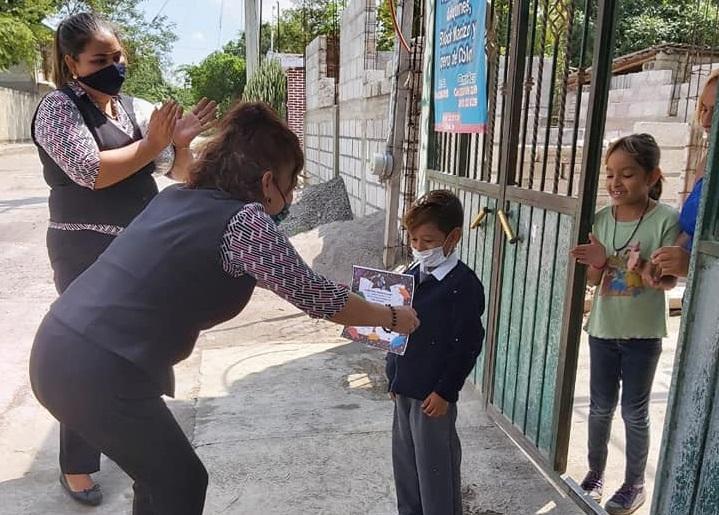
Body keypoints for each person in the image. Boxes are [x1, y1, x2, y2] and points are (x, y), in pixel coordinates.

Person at [29, 101, 420, 515]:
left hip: (62, 347)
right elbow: (316, 294)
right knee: (179, 480)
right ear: (268, 182)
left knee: (161, 479)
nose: (290, 196)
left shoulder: (178, 197)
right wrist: (394, 318)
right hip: (96, 369)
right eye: (291, 183)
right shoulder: (245, 222)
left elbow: (184, 176)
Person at [31, 12, 217, 505]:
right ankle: (76, 462)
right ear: (72, 63)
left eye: (117, 57)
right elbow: (91, 172)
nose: (114, 66)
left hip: (137, 247)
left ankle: (138, 444)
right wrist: (153, 143)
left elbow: (175, 173)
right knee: (91, 355)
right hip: (84, 251)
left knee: (132, 350)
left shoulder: (128, 108)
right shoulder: (57, 109)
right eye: (100, 60)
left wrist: (178, 144)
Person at [570, 134, 679, 515]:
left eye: (628, 174)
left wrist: (626, 263)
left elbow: (663, 281)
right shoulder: (601, 218)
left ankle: (634, 483)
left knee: (634, 411)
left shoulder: (665, 219)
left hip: (643, 335)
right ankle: (595, 473)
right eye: (611, 174)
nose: (616, 183)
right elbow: (591, 280)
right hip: (602, 330)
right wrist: (600, 263)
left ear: (652, 177)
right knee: (599, 408)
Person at [386, 190, 485, 515]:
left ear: (453, 237)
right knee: (406, 467)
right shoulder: (408, 278)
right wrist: (393, 377)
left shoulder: (463, 285)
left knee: (435, 473)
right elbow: (396, 332)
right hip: (404, 390)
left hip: (433, 399)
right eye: (413, 240)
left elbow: (468, 344)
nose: (419, 248)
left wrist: (445, 391)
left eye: (427, 241)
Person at [652, 68, 719, 278]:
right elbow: (691, 230)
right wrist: (660, 263)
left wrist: (694, 266)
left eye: (715, 111)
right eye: (704, 109)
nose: (706, 121)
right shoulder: (707, 163)